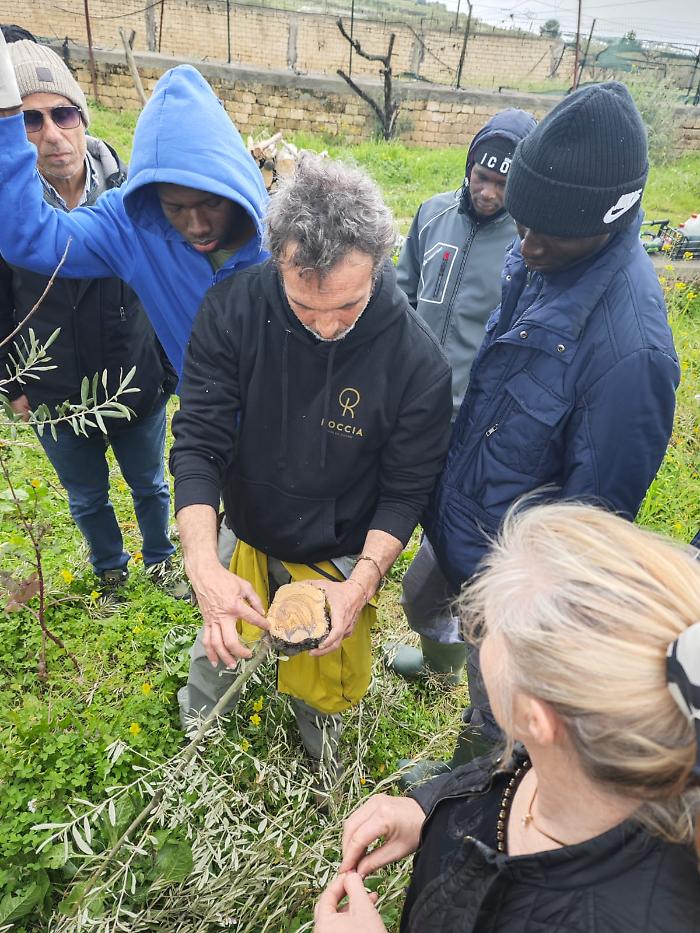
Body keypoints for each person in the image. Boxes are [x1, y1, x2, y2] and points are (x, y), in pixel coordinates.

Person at [406, 81, 680, 779]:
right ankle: (440, 659)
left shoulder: (631, 354)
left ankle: (472, 779)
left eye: (543, 232)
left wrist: (530, 605)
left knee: (495, 687)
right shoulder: (543, 258)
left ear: (608, 220)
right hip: (469, 504)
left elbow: (594, 519)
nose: (523, 244)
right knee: (421, 598)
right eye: (520, 224)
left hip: (517, 559)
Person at [170, 156, 453, 783]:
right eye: (303, 306)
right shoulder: (234, 309)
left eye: (347, 307)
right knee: (216, 651)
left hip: (336, 555)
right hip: (244, 530)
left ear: (378, 264)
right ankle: (195, 741)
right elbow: (198, 441)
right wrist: (201, 563)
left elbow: (406, 493)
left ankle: (323, 765)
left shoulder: (416, 363)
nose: (326, 326)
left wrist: (360, 586)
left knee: (325, 681)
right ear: (278, 263)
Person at [315, 501, 700, 932]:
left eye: (487, 628)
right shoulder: (573, 757)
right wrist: (428, 808)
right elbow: (507, 774)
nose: (476, 632)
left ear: (535, 717)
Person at [0, 39, 177, 587]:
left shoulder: (134, 194)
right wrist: (14, 384)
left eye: (63, 113)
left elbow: (165, 284)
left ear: (82, 117)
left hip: (135, 381)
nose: (52, 134)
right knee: (86, 495)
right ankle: (110, 573)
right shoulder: (9, 215)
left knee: (150, 482)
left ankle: (161, 559)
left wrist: (166, 371)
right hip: (55, 394)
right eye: (31, 119)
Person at [0, 31, 269, 376]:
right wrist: (7, 118)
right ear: (152, 201)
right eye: (175, 209)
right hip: (207, 424)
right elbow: (29, 237)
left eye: (212, 203)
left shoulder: (288, 237)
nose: (198, 226)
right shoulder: (130, 227)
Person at [386, 108, 536, 687]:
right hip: (412, 413)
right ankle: (438, 660)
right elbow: (401, 296)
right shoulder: (432, 215)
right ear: (469, 165)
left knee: (449, 563)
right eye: (482, 176)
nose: (489, 191)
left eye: (503, 183)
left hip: (472, 432)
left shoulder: (528, 247)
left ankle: (447, 661)